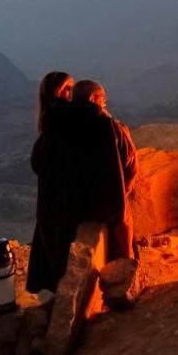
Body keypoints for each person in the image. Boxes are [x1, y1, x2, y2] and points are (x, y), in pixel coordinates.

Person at [27, 72, 128, 295]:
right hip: (98, 203)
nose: (69, 94)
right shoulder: (104, 123)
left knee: (51, 245)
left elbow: (37, 162)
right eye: (66, 89)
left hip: (58, 202)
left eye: (72, 89)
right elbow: (127, 160)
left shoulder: (52, 121)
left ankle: (49, 292)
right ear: (94, 99)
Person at [73, 79, 139, 260]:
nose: (105, 102)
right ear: (93, 98)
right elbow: (130, 162)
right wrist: (126, 189)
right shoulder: (110, 126)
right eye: (103, 98)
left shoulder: (63, 126)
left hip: (74, 205)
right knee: (124, 235)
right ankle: (125, 275)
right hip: (111, 202)